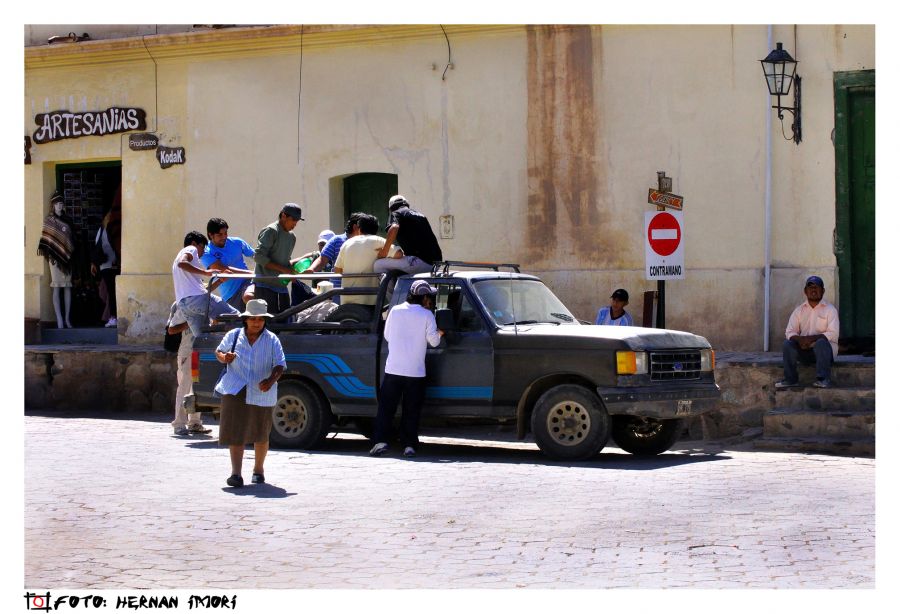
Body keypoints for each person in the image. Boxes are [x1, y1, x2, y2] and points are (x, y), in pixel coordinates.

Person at [215, 299, 286, 487]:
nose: (257, 322)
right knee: (235, 432)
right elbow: (219, 352)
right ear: (245, 319)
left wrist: (270, 381)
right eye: (253, 318)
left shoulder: (272, 340)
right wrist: (225, 357)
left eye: (260, 319)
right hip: (235, 387)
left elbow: (280, 365)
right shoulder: (234, 335)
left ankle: (258, 470)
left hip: (262, 390)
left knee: (261, 433)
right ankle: (236, 474)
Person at [369, 280, 444, 458]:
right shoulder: (427, 315)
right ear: (424, 297)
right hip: (415, 372)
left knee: (386, 408)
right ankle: (409, 445)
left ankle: (380, 442)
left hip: (393, 369)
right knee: (411, 410)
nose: (430, 300)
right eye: (429, 297)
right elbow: (434, 341)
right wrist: (440, 333)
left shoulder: (394, 311)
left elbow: (387, 335)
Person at [776, 275, 840, 389]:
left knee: (821, 343)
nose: (814, 290)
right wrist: (800, 339)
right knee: (788, 344)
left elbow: (833, 333)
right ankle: (790, 380)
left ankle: (823, 379)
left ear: (823, 291)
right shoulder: (799, 310)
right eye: (810, 287)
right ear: (805, 291)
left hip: (825, 353)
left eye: (817, 287)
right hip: (805, 352)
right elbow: (789, 331)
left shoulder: (830, 310)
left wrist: (811, 339)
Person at [172, 231, 240, 337]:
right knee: (236, 317)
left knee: (203, 338)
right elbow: (182, 263)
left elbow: (203, 292)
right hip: (196, 300)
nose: (203, 252)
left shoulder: (180, 267)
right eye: (203, 247)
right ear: (194, 243)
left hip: (184, 305)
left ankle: (208, 353)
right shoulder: (190, 248)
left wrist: (220, 281)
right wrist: (205, 272)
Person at [253, 203, 308, 315]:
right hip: (264, 286)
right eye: (293, 220)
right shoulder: (271, 231)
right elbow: (258, 256)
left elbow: (285, 260)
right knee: (268, 322)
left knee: (284, 322)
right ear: (283, 216)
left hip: (281, 287)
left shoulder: (292, 237)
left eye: (297, 221)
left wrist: (292, 271)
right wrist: (283, 270)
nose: (295, 224)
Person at [166, 302, 211, 435]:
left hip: (201, 350)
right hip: (187, 351)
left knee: (197, 387)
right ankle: (179, 424)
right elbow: (171, 329)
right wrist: (192, 323)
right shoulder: (180, 304)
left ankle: (195, 422)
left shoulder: (206, 302)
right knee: (184, 387)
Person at [333, 213, 397, 305]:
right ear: (376, 229)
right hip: (371, 301)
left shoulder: (346, 243)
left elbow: (337, 270)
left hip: (347, 300)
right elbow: (399, 254)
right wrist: (384, 254)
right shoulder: (379, 241)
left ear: (359, 229)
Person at [373, 195, 443, 276]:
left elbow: (394, 227)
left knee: (378, 264)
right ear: (407, 205)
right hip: (436, 264)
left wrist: (385, 251)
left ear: (391, 208)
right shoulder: (421, 215)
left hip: (419, 262)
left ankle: (390, 289)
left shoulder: (396, 214)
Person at [37, 191, 75, 329]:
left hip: (67, 259)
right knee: (57, 287)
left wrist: (70, 252)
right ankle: (59, 320)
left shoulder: (67, 220)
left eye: (61, 203)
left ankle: (67, 319)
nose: (60, 206)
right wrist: (52, 254)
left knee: (67, 287)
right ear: (53, 205)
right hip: (54, 259)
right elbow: (47, 240)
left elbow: (71, 239)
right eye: (57, 203)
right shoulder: (49, 221)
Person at [201, 217, 255, 311]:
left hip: (247, 283)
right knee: (236, 325)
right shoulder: (206, 252)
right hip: (230, 295)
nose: (224, 237)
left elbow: (257, 256)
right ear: (211, 235)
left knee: (249, 297)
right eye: (220, 234)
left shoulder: (237, 242)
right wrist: (252, 273)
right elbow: (223, 269)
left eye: (225, 233)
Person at [91, 209, 120, 327]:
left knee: (111, 292)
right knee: (110, 292)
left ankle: (113, 317)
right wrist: (94, 263)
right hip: (107, 265)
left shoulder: (111, 230)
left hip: (112, 265)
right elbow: (97, 246)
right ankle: (111, 316)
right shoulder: (104, 230)